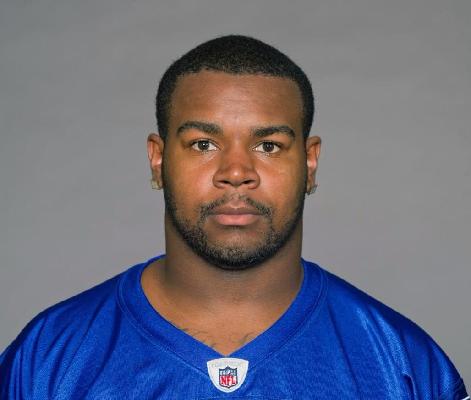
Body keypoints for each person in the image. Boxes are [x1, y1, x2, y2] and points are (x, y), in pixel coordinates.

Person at [0, 35, 467, 399]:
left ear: (310, 163)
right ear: (158, 160)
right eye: (204, 144)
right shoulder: (48, 357)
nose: (237, 172)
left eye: (269, 146)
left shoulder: (403, 362)